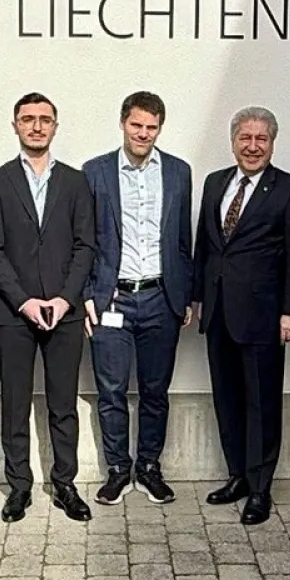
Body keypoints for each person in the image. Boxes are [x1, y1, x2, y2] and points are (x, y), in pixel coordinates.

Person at [0, 93, 97, 523]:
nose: (36, 126)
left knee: (63, 403)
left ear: (55, 126)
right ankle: (20, 487)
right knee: (15, 402)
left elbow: (86, 245)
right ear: (15, 125)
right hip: (14, 312)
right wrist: (24, 300)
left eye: (44, 119)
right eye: (28, 119)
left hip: (64, 311)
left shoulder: (76, 181)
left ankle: (64, 483)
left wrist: (65, 298)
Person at [193, 106, 290, 525]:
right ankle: (238, 476)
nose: (253, 146)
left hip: (264, 316)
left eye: (261, 138)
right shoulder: (214, 183)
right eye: (245, 137)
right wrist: (197, 298)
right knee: (227, 399)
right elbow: (205, 247)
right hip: (219, 313)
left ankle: (260, 489)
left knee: (261, 403)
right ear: (233, 141)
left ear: (272, 143)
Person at [82, 90, 194, 508]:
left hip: (162, 298)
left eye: (151, 127)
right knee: (111, 390)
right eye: (136, 125)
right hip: (112, 299)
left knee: (155, 389)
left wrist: (187, 295)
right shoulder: (94, 172)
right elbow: (84, 241)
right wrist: (87, 295)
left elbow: (183, 239)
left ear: (159, 128)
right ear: (123, 123)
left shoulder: (180, 172)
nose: (143, 134)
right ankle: (117, 469)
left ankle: (148, 467)